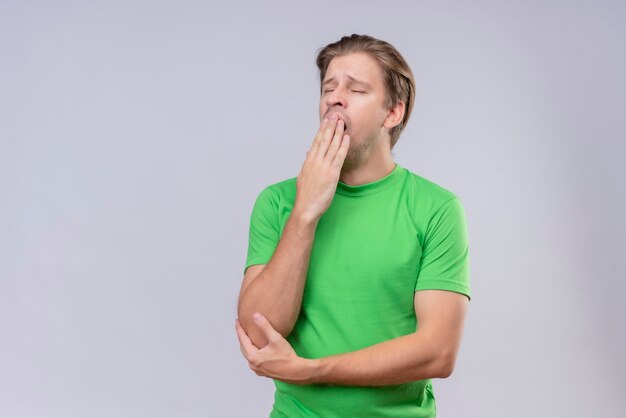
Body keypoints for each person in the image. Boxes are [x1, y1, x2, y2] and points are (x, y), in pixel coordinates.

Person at [235, 34, 471, 418]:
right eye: (329, 87)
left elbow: (438, 352)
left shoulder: (437, 208)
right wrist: (305, 214)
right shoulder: (279, 203)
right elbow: (260, 334)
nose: (335, 97)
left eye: (356, 89)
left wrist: (314, 371)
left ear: (392, 113)